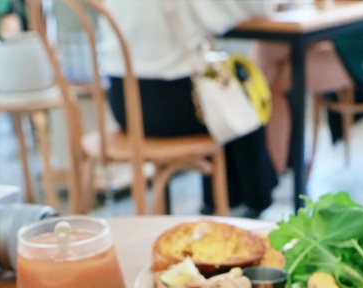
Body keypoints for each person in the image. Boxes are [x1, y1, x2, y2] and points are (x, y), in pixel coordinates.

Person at [100, 0, 279, 217]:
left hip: (124, 107)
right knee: (239, 102)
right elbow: (254, 7)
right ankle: (251, 204)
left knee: (223, 100)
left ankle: (220, 203)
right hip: (172, 106)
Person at [252, 3, 363, 174]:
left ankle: (272, 174)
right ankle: (263, 170)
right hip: (342, 34)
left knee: (272, 81)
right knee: (265, 50)